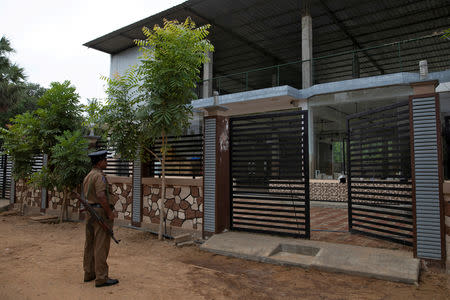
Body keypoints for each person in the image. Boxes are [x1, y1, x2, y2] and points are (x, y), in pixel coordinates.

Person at [83, 150, 119, 287]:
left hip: (90, 212)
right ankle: (101, 277)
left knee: (90, 243)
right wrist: (109, 212)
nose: (106, 162)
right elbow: (101, 195)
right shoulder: (99, 176)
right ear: (99, 162)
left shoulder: (88, 176)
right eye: (104, 160)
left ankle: (89, 273)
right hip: (100, 212)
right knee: (101, 245)